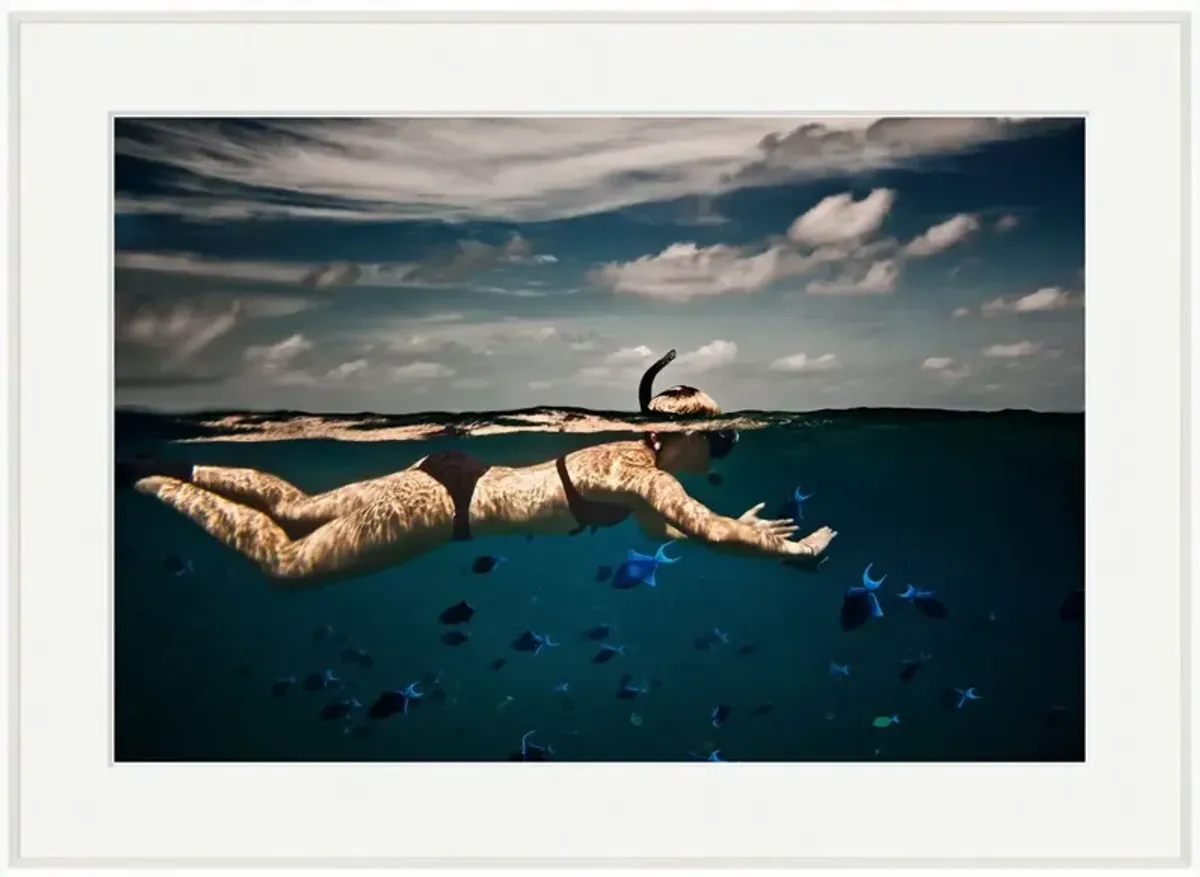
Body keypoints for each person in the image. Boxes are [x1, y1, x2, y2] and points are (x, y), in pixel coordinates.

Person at [118, 349, 837, 586]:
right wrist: (781, 549)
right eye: (718, 437)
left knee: (303, 508)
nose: (722, 448)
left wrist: (725, 528)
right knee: (286, 559)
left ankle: (169, 467)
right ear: (664, 435)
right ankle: (153, 478)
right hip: (443, 507)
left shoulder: (639, 473)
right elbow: (698, 528)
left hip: (449, 476)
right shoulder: (640, 469)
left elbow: (675, 532)